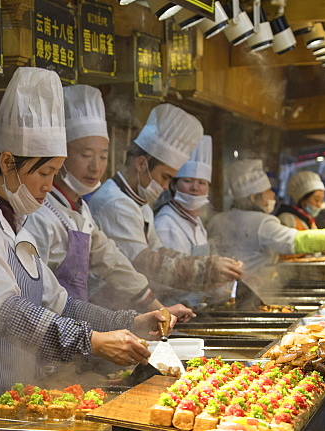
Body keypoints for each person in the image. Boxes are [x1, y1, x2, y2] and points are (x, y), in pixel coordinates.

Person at [0, 67, 172, 416]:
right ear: (8, 162)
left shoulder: (15, 225)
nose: (48, 184)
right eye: (43, 173)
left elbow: (62, 304)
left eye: (55, 173)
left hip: (14, 401)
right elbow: (6, 314)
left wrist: (128, 322)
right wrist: (92, 342)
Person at [23, 85, 193, 320]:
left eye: (103, 156)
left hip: (78, 334)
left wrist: (157, 308)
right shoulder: (39, 213)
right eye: (85, 155)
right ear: (60, 157)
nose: (96, 167)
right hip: (48, 338)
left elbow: (110, 260)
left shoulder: (79, 208)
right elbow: (34, 301)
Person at [88, 104, 243, 309]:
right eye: (165, 177)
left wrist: (209, 266)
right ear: (141, 164)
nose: (164, 186)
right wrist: (204, 270)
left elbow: (158, 250)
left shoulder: (139, 203)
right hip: (109, 308)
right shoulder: (114, 203)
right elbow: (143, 262)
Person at [207, 160, 325, 308]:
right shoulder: (262, 223)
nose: (272, 195)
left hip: (219, 295)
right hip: (252, 294)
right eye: (268, 192)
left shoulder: (218, 219)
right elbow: (298, 240)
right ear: (254, 198)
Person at [152, 135, 229, 307]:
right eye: (187, 181)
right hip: (174, 309)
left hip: (196, 308)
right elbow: (162, 279)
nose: (195, 188)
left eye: (201, 182)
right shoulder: (165, 223)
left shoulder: (197, 222)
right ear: (174, 184)